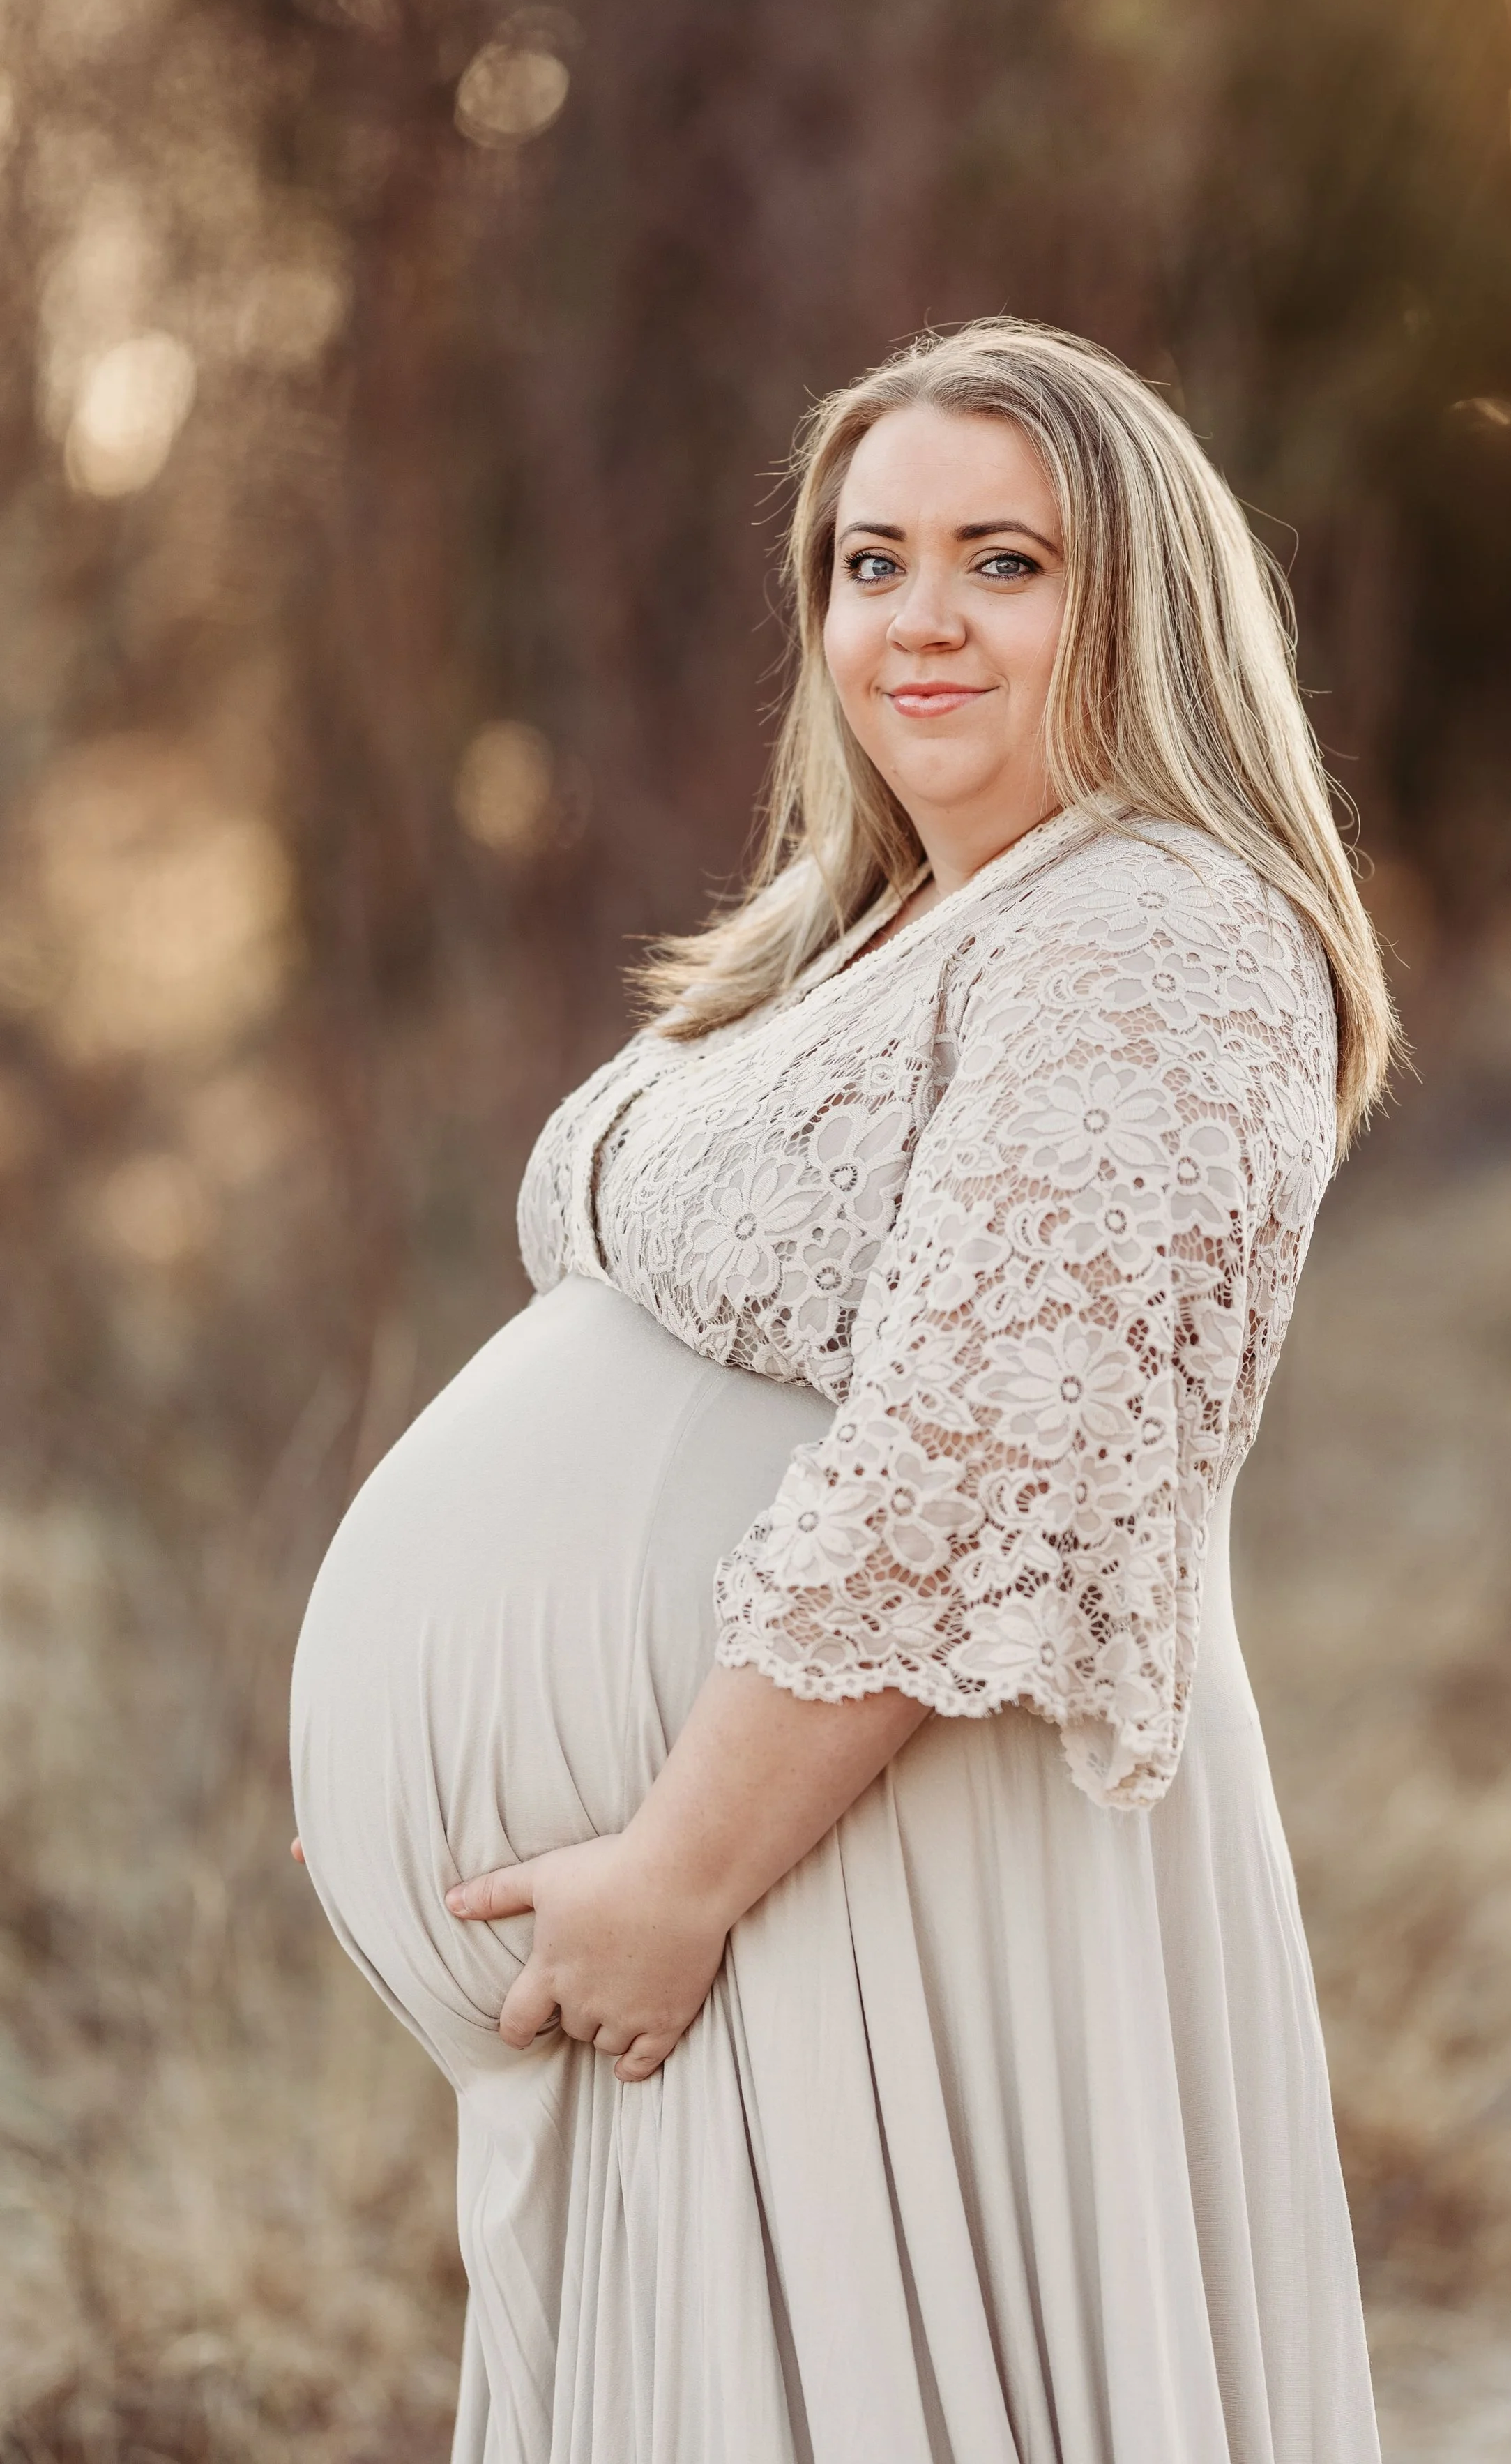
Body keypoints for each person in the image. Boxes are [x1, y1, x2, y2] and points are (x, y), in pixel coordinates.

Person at [290, 317, 1396, 2463]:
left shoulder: (1157, 925)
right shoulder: (870, 920)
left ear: (1137, 605)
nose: (918, 620)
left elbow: (983, 1447)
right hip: (773, 1855)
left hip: (861, 1852)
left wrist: (684, 1866)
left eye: (1005, 560)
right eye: (868, 560)